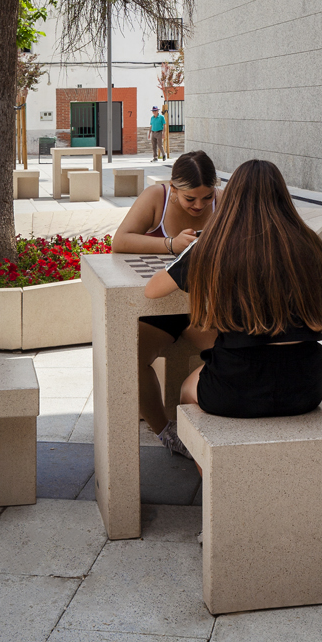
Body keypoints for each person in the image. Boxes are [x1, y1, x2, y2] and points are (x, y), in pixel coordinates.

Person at [143, 158, 322, 428]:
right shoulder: (304, 240)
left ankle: (206, 466)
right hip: (305, 386)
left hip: (236, 385)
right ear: (282, 196)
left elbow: (153, 290)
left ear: (233, 197)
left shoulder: (213, 242)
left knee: (187, 392)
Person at [111, 149, 219, 455]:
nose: (199, 205)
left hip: (203, 307)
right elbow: (120, 241)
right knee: (131, 357)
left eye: (206, 197)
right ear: (173, 189)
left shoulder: (223, 202)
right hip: (160, 308)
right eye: (190, 199)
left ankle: (220, 423)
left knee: (229, 350)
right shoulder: (155, 197)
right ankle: (165, 431)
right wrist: (170, 244)